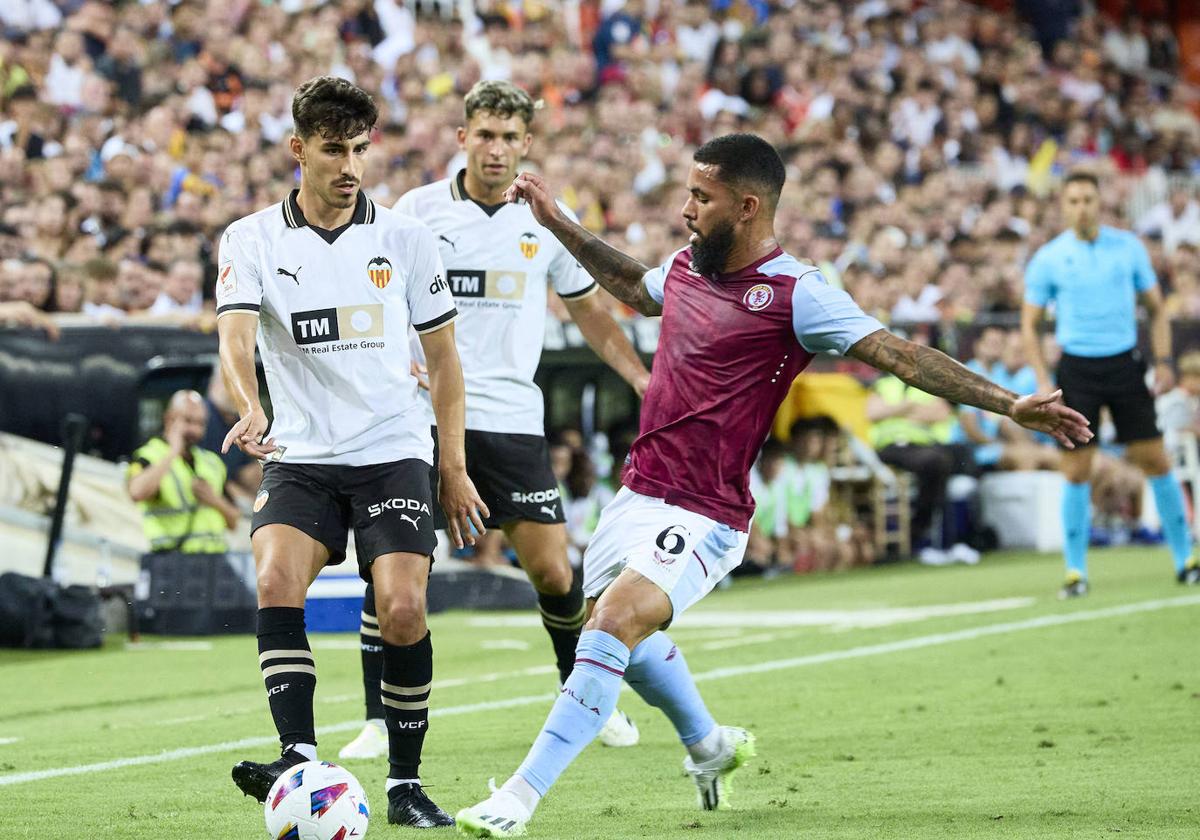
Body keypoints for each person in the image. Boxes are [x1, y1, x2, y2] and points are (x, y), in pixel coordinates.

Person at [455, 133, 1092, 837]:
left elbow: (901, 356)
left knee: (610, 624)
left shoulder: (799, 294)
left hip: (707, 510)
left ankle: (515, 799)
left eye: (702, 197)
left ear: (748, 206)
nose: (686, 209)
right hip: (637, 493)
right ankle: (710, 746)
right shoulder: (688, 268)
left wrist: (1008, 403)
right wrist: (557, 223)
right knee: (615, 641)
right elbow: (639, 290)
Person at [338, 80, 647, 762]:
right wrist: (394, 360)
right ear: (462, 139)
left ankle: (586, 702)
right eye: (485, 134)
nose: (497, 148)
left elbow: (590, 308)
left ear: (527, 144)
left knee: (555, 575)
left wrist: (636, 375)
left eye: (510, 137)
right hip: (417, 421)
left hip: (509, 418)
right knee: (395, 570)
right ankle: (377, 721)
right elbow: (369, 294)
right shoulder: (415, 214)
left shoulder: (545, 217)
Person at [215, 76, 486, 828]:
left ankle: (404, 784)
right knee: (274, 577)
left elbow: (446, 365)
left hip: (392, 450)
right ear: (298, 149)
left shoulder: (405, 239)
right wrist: (249, 401)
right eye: (334, 149)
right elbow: (235, 335)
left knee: (402, 607)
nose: (350, 166)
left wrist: (453, 467)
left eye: (360, 149)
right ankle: (298, 755)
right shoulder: (251, 239)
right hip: (300, 453)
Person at [1021, 170, 1200, 598]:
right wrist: (1043, 379)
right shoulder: (1049, 257)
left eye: (1088, 199)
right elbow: (1030, 325)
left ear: (1100, 203)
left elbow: (1157, 310)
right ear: (1063, 206)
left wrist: (1161, 360)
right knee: (1077, 468)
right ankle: (1075, 572)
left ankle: (1186, 560)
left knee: (1154, 458)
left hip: (1124, 364)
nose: (1082, 207)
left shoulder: (1128, 248)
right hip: (1076, 369)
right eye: (1074, 200)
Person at [126, 389, 237, 553]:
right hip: (171, 561)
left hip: (215, 561)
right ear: (169, 419)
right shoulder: (150, 456)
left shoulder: (212, 462)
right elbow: (137, 492)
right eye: (188, 421)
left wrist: (214, 500)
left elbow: (234, 520)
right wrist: (173, 452)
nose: (195, 430)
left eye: (201, 423)